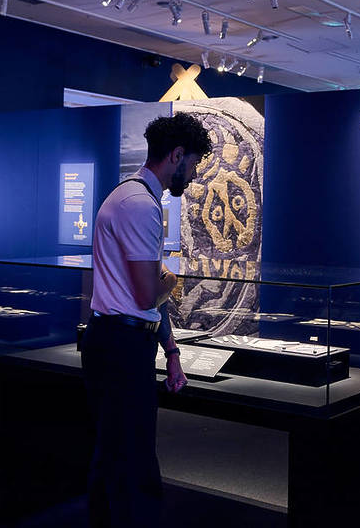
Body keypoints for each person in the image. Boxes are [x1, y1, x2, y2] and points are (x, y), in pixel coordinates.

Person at [80, 111, 212, 527]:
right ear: (176, 156)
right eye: (192, 164)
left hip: (118, 339)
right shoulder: (140, 205)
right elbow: (146, 292)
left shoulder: (129, 197)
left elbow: (145, 300)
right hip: (121, 345)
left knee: (113, 453)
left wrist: (171, 350)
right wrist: (173, 277)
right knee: (133, 458)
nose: (191, 176)